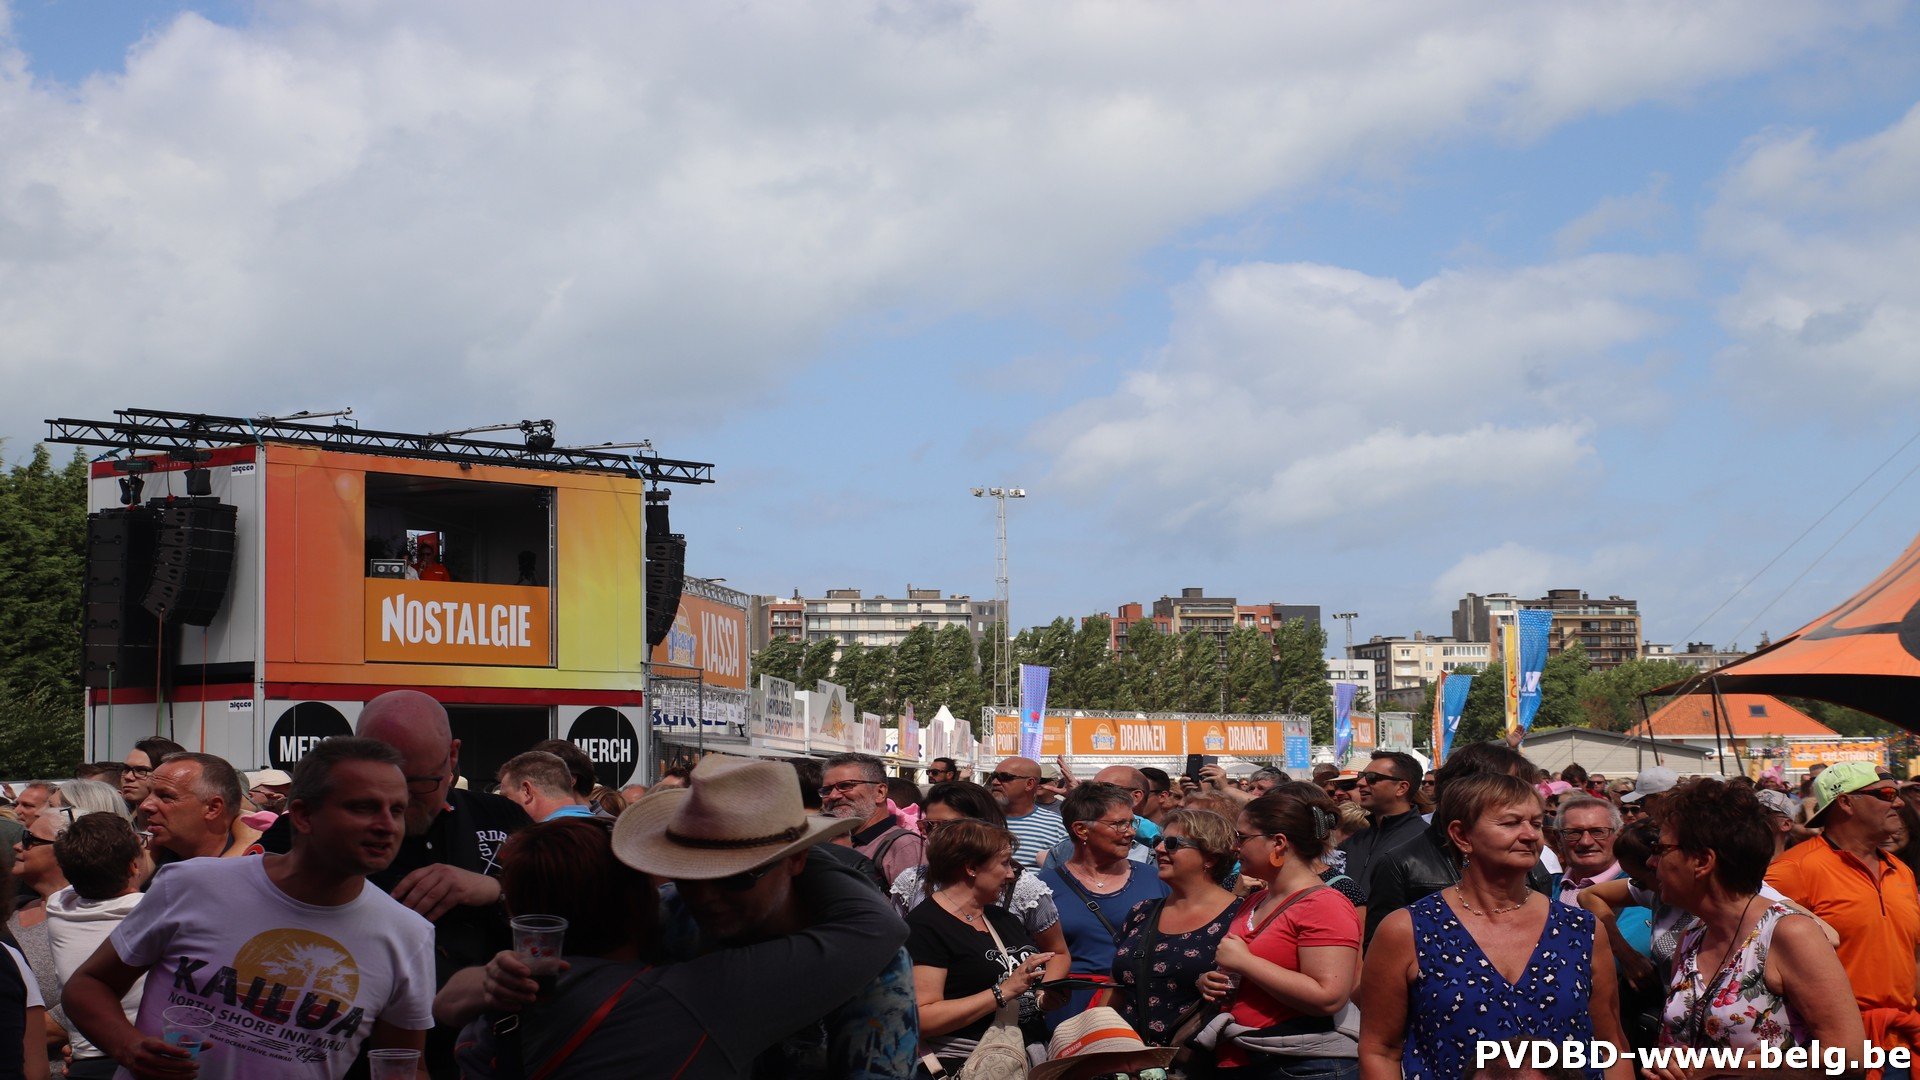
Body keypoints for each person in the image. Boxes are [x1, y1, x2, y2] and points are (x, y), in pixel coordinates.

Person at [64, 737, 435, 1079]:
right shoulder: (190, 884)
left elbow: (404, 1064)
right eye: (363, 808)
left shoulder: (408, 935)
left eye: (397, 810)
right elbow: (88, 985)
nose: (387, 826)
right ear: (303, 816)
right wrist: (128, 1047)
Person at [261, 689, 530, 1078]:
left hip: (485, 1052)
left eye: (419, 783)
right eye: (384, 777)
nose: (398, 801)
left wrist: (495, 889)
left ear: (452, 756)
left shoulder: (501, 816)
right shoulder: (310, 829)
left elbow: (565, 912)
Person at [609, 755, 919, 1077]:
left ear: (795, 861)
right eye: (689, 876)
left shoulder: (873, 962)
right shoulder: (666, 919)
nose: (705, 897)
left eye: (736, 877)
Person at [1359, 772, 1631, 1080]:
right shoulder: (1407, 929)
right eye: (1511, 823)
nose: (1531, 835)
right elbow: (1380, 1050)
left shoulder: (1581, 929)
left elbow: (1610, 1047)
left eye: (1537, 824)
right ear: (1462, 836)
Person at [1639, 779, 1863, 1073]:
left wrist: (1720, 1067)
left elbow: (1849, 1055)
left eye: (1660, 848)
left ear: (1703, 861)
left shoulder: (1788, 933)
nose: (1651, 861)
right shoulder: (1691, 939)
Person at [1189, 789, 1360, 1077]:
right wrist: (1209, 981)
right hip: (1246, 1056)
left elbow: (1328, 996)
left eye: (1242, 837)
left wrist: (1246, 963)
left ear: (1279, 843)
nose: (1235, 847)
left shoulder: (1324, 904)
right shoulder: (1258, 898)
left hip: (1301, 1065)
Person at [1766, 761, 1920, 1070]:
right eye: (1887, 794)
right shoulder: (1793, 870)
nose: (1899, 803)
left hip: (1901, 1045)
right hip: (1834, 1053)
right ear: (1846, 802)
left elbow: (1912, 956)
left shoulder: (1900, 870)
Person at [1363, 741, 1554, 944]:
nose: (1529, 835)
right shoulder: (1402, 865)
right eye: (1510, 787)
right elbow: (1381, 955)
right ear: (1464, 790)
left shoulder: (1532, 864)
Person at [908, 818, 1062, 1067]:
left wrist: (1041, 999)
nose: (1012, 874)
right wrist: (1003, 992)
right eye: (1004, 863)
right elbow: (923, 1017)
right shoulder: (926, 925)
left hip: (1022, 1058)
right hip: (967, 1063)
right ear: (971, 867)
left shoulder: (1001, 917)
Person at [890, 782, 1071, 971]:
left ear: (982, 828)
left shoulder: (1022, 888)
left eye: (947, 827)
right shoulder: (912, 882)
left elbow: (1056, 953)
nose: (935, 836)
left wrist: (1042, 997)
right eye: (928, 826)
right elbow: (894, 948)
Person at [1038, 783, 1170, 1028]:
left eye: (1132, 823)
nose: (1130, 832)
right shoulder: (1043, 887)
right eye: (1119, 824)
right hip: (1069, 1011)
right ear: (1081, 829)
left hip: (1137, 1009)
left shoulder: (1155, 879)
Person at [1111, 808, 1242, 1047]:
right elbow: (1117, 989)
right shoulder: (1142, 911)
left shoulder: (1240, 916)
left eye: (1172, 843)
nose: (1159, 849)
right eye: (1159, 841)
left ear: (1210, 858)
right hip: (1128, 1057)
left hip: (1198, 1062)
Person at [45, 813, 145, 1080]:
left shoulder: (58, 906)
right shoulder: (150, 911)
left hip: (85, 1063)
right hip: (142, 1057)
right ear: (134, 866)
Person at [821, 753, 927, 887]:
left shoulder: (904, 846)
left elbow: (917, 905)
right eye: (826, 790)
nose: (833, 795)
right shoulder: (833, 842)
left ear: (880, 793)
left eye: (845, 786)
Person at [138, 752, 263, 864]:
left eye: (165, 796)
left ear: (213, 808)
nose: (145, 805)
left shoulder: (265, 872)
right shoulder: (146, 864)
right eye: (148, 793)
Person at [1336, 751, 1425, 908]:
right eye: (1362, 776)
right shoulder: (1356, 838)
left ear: (1401, 788)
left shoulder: (1426, 840)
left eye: (1372, 778)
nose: (1361, 783)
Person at [1041, 765, 1160, 868]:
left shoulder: (1166, 846)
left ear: (1135, 797)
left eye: (1106, 789)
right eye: (1092, 790)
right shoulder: (1065, 849)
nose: (1094, 795)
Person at [990, 757, 1068, 868]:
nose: (995, 782)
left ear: (1029, 784)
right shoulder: (980, 820)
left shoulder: (1057, 825)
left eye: (1004, 777)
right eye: (994, 776)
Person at [1555, 795, 1623, 907]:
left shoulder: (1638, 889)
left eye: (1597, 832)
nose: (1586, 842)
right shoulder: (1546, 888)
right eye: (1574, 832)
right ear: (1558, 838)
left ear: (1618, 834)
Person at [496, 750, 595, 821]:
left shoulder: (537, 842)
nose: (502, 805)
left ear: (527, 791)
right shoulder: (607, 830)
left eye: (505, 797)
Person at [116, 738, 183, 818]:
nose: (128, 777)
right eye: (126, 769)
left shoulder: (184, 829)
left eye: (141, 770)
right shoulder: (120, 826)